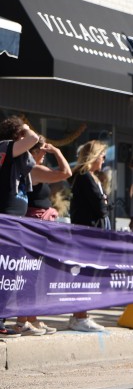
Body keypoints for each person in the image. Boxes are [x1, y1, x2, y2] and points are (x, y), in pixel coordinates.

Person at [12, 134, 72, 335]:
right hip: (34, 224)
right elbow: (66, 172)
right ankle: (22, 320)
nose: (45, 154)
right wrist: (57, 151)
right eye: (43, 151)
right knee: (29, 273)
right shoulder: (33, 169)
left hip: (37, 224)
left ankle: (32, 318)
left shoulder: (32, 168)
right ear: (34, 151)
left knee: (35, 273)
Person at [65, 140, 115, 333]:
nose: (104, 160)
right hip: (86, 235)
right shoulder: (84, 176)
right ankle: (79, 316)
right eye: (102, 155)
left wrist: (104, 202)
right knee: (84, 275)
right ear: (94, 156)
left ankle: (82, 314)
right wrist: (104, 202)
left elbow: (103, 205)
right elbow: (101, 208)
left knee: (90, 275)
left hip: (93, 234)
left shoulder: (93, 177)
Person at [0, 119, 42, 337]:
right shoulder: (6, 146)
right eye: (21, 134)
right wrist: (24, 127)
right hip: (6, 221)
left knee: (9, 272)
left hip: (16, 221)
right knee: (3, 272)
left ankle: (1, 319)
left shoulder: (18, 155)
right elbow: (34, 138)